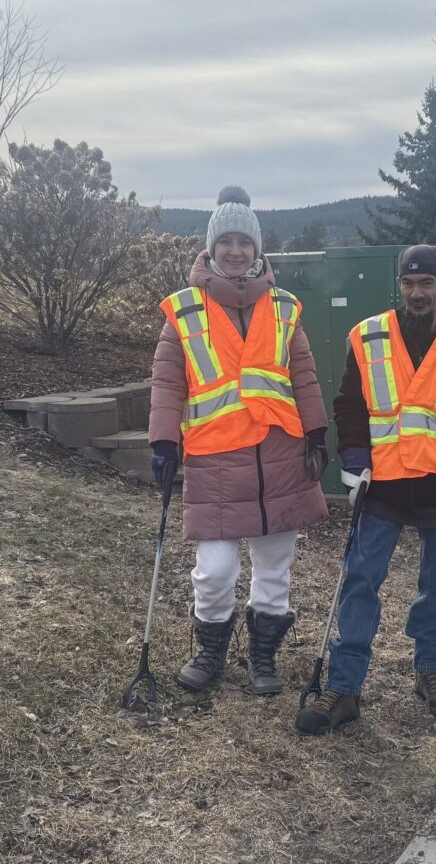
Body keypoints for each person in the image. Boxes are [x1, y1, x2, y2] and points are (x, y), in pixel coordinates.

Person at [295, 244, 436, 736]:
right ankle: (344, 688)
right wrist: (354, 460)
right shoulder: (366, 338)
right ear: (400, 287)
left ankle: (429, 671)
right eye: (409, 284)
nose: (416, 293)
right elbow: (349, 405)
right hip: (383, 485)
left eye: (426, 283)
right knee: (361, 581)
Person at [149, 186, 329, 697]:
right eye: (225, 240)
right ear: (211, 247)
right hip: (215, 458)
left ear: (257, 249)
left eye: (243, 242)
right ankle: (210, 651)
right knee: (215, 570)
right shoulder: (183, 312)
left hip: (280, 457)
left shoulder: (285, 308)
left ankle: (263, 656)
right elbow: (168, 383)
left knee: (274, 568)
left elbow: (304, 376)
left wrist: (316, 434)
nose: (234, 250)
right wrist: (163, 443)